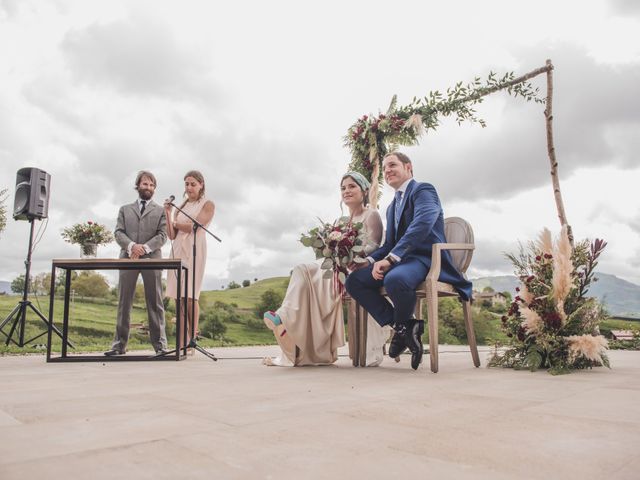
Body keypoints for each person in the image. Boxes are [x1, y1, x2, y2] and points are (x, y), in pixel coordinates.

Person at [345, 152, 473, 370]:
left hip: (426, 258)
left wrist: (392, 259)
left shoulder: (424, 190)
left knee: (395, 279)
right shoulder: (392, 207)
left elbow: (422, 225)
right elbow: (388, 244)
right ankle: (404, 327)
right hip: (402, 261)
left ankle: (402, 330)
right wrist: (367, 261)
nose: (387, 171)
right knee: (355, 281)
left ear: (408, 167)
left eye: (392, 165)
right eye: (385, 168)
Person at [262, 172, 387, 366]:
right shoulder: (340, 222)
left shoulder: (372, 214)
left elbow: (375, 245)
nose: (346, 191)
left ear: (364, 190)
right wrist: (329, 249)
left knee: (315, 275)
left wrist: (350, 252)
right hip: (336, 265)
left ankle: (289, 319)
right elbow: (329, 251)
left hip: (356, 268)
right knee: (301, 270)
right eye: (343, 188)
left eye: (352, 186)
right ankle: (284, 316)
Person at [105, 170, 169, 356]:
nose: (148, 187)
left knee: (155, 302)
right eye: (145, 184)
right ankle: (118, 346)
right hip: (127, 259)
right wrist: (132, 246)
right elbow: (118, 232)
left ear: (154, 189)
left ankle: (160, 347)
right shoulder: (125, 209)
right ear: (138, 186)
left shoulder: (160, 211)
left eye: (151, 185)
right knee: (124, 302)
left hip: (153, 260)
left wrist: (144, 248)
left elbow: (163, 235)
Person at [164, 170, 215, 350]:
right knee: (179, 297)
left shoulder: (207, 204)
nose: (189, 187)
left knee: (190, 296)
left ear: (201, 184)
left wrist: (177, 224)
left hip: (195, 249)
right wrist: (168, 213)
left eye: (193, 184)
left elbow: (193, 227)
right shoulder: (182, 205)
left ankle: (192, 340)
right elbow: (171, 234)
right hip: (178, 249)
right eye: (186, 184)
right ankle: (181, 342)